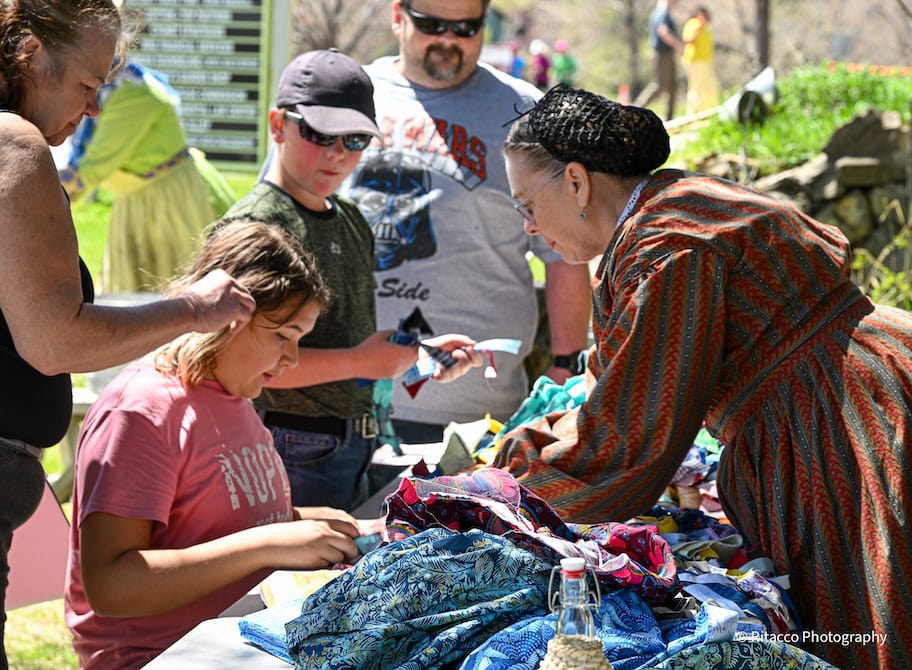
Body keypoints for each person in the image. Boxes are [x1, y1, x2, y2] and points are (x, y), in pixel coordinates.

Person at [495, 84, 912, 669]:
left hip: (844, 417)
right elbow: (617, 385)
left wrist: (499, 494)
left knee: (871, 623)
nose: (530, 228)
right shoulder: (666, 212)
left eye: (526, 206)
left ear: (575, 181)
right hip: (850, 385)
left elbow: (631, 438)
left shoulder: (668, 246)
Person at [0, 2, 254, 669]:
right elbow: (56, 340)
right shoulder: (6, 142)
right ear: (31, 54)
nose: (92, 110)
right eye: (89, 86)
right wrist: (193, 309)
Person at [65, 219, 364, 670]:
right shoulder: (142, 412)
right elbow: (111, 587)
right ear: (227, 318)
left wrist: (304, 524)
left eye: (300, 339)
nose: (292, 359)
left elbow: (214, 522)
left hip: (240, 639)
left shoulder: (230, 393)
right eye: (282, 335)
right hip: (161, 657)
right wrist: (268, 542)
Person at [223, 48, 480, 511]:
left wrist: (418, 357)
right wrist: (364, 361)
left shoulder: (351, 219)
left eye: (356, 139)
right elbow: (237, 367)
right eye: (320, 134)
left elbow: (355, 348)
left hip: (358, 442)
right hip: (286, 442)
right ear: (277, 125)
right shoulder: (257, 228)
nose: (337, 153)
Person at [340, 0, 592, 446]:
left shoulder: (525, 112)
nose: (449, 40)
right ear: (398, 16)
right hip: (341, 407)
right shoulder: (349, 96)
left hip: (478, 413)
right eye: (432, 25)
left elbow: (564, 253)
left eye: (465, 27)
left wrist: (566, 364)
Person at [59, 26, 235, 293]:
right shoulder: (114, 89)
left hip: (168, 200)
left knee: (174, 292)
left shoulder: (134, 94)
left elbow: (90, 170)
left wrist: (37, 203)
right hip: (138, 197)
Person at [634, 0, 683, 121]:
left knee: (672, 87)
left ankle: (669, 119)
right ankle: (634, 109)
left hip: (668, 53)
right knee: (660, 86)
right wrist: (679, 46)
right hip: (662, 53)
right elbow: (663, 31)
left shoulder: (661, 12)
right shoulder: (662, 12)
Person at [681, 6, 720, 114]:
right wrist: (699, 28)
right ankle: (694, 113)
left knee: (710, 87)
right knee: (697, 89)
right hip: (695, 61)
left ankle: (709, 111)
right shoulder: (693, 24)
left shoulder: (707, 27)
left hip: (705, 62)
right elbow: (689, 41)